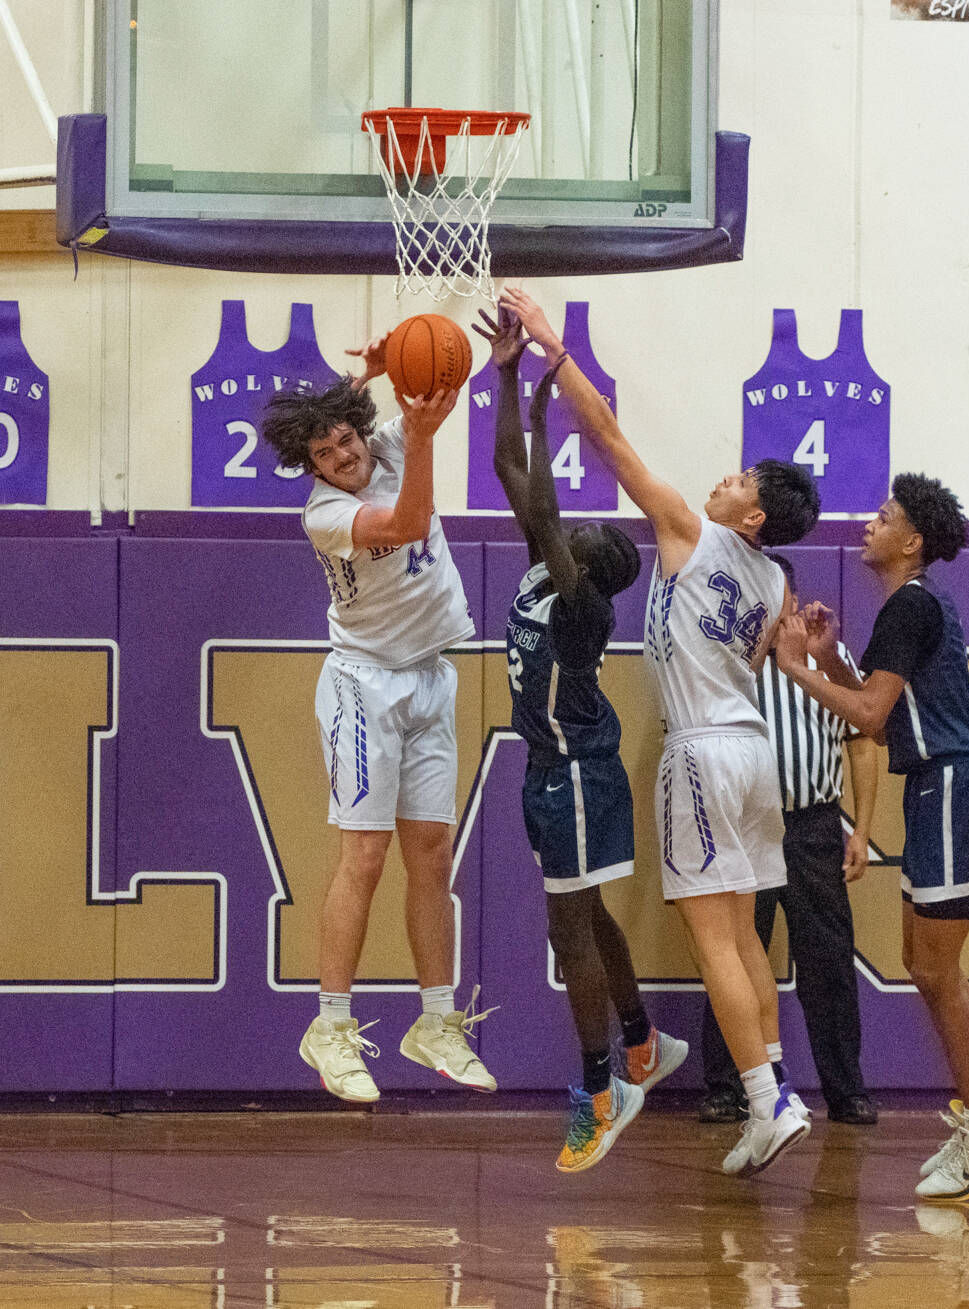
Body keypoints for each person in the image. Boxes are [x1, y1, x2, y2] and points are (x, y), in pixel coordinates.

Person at [500, 286, 820, 1178]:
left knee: (712, 936)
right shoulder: (775, 579)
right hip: (755, 752)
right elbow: (755, 657)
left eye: (740, 481)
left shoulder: (688, 530)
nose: (724, 479)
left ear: (750, 515)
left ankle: (762, 1098)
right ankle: (778, 1090)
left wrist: (555, 354)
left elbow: (604, 435)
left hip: (704, 752)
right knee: (748, 934)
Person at [475, 306, 688, 1171]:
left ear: (595, 569)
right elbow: (507, 470)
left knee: (569, 933)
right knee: (589, 915)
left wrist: (547, 405)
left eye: (601, 539)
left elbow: (554, 518)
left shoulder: (585, 603)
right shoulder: (542, 563)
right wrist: (508, 383)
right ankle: (639, 1040)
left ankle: (603, 1087)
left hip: (578, 773)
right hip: (549, 769)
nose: (597, 526)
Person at [261, 337, 496, 1104]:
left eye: (346, 440)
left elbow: (436, 389)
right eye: (325, 454)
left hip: (430, 673)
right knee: (365, 854)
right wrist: (418, 433)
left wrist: (395, 361)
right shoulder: (325, 514)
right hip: (364, 686)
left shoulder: (390, 439)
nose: (343, 457)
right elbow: (407, 522)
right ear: (315, 470)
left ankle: (434, 1019)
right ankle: (329, 1025)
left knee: (431, 854)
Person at [774, 473, 969, 1201]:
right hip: (940, 784)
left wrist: (792, 665)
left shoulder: (910, 605)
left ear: (911, 542)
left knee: (937, 969)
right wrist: (827, 658)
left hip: (953, 781)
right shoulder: (909, 608)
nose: (868, 523)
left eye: (883, 516)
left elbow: (872, 716)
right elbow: (884, 695)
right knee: (922, 961)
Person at [698, 552, 879, 1129]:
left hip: (813, 825)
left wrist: (864, 828)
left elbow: (862, 742)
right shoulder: (723, 660)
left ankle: (845, 1090)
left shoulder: (830, 657)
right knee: (730, 951)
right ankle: (729, 1087)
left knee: (827, 960)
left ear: (791, 599)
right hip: (744, 824)